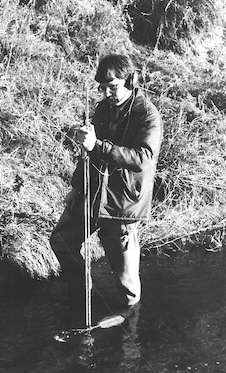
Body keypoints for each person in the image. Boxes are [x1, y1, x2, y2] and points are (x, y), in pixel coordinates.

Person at [50, 53, 163, 310]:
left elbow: (142, 158)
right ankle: (82, 293)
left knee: (126, 285)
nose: (108, 93)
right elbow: (88, 154)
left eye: (113, 87)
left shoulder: (147, 114)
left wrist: (97, 145)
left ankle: (129, 317)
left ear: (130, 80)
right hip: (91, 194)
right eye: (103, 88)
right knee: (61, 240)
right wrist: (76, 187)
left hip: (121, 204)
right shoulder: (102, 109)